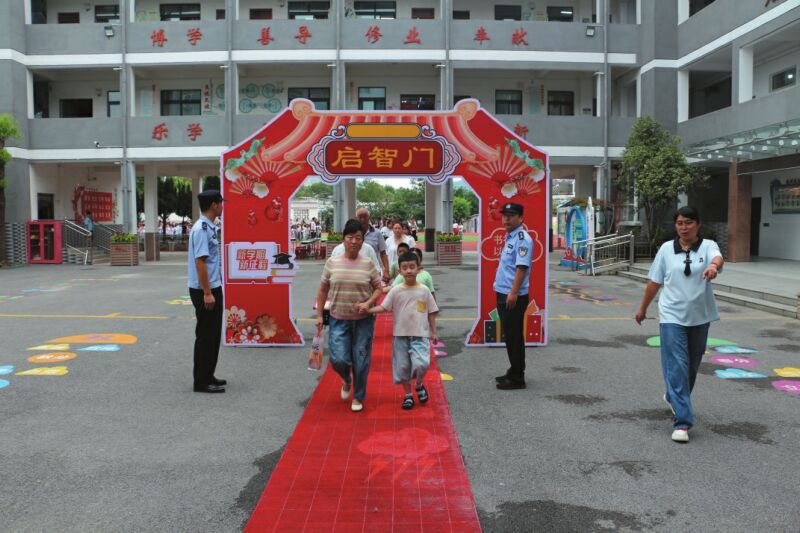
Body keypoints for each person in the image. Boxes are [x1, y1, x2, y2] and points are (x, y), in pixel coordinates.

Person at [635, 206, 724, 444]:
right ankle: (682, 422)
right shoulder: (666, 249)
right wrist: (643, 308)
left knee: (691, 366)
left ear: (698, 224)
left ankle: (673, 396)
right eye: (679, 223)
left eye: (688, 222)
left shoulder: (708, 245)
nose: (684, 227)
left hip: (700, 316)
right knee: (677, 366)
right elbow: (654, 282)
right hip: (671, 315)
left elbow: (717, 258)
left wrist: (713, 267)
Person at [316, 218, 383, 412]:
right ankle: (346, 379)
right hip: (338, 319)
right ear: (343, 239)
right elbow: (322, 290)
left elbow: (379, 288)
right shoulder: (332, 263)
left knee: (361, 360)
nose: (354, 241)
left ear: (363, 241)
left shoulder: (368, 264)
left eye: (358, 238)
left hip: (363, 321)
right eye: (350, 237)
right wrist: (320, 315)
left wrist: (368, 303)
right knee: (338, 359)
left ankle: (359, 396)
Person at [367, 251, 439, 410]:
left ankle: (419, 384)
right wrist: (368, 309)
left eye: (412, 267)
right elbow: (383, 307)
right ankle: (408, 395)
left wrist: (434, 331)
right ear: (399, 271)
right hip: (400, 335)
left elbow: (431, 312)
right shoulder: (396, 290)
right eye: (405, 268)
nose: (409, 271)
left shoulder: (424, 290)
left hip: (420, 334)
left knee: (422, 364)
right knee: (403, 367)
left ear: (418, 268)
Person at [188, 190, 226, 393]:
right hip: (205, 290)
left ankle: (209, 374)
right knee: (205, 336)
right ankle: (201, 381)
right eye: (221, 202)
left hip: (212, 286)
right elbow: (200, 262)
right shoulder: (201, 229)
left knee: (213, 335)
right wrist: (207, 292)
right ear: (214, 205)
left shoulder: (209, 227)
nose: (222, 206)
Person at [493, 203, 533, 391]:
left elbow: (521, 268)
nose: (506, 218)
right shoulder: (511, 237)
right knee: (510, 335)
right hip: (504, 292)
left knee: (514, 336)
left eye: (511, 215)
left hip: (512, 296)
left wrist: (514, 292)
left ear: (521, 218)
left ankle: (517, 378)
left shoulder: (523, 239)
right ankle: (513, 370)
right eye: (505, 215)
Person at [356, 207, 390, 282]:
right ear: (356, 218)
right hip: (356, 271)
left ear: (369, 217)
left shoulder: (377, 233)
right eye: (360, 217)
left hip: (374, 271)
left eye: (365, 216)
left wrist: (386, 270)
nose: (362, 219)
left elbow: (383, 253)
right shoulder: (353, 233)